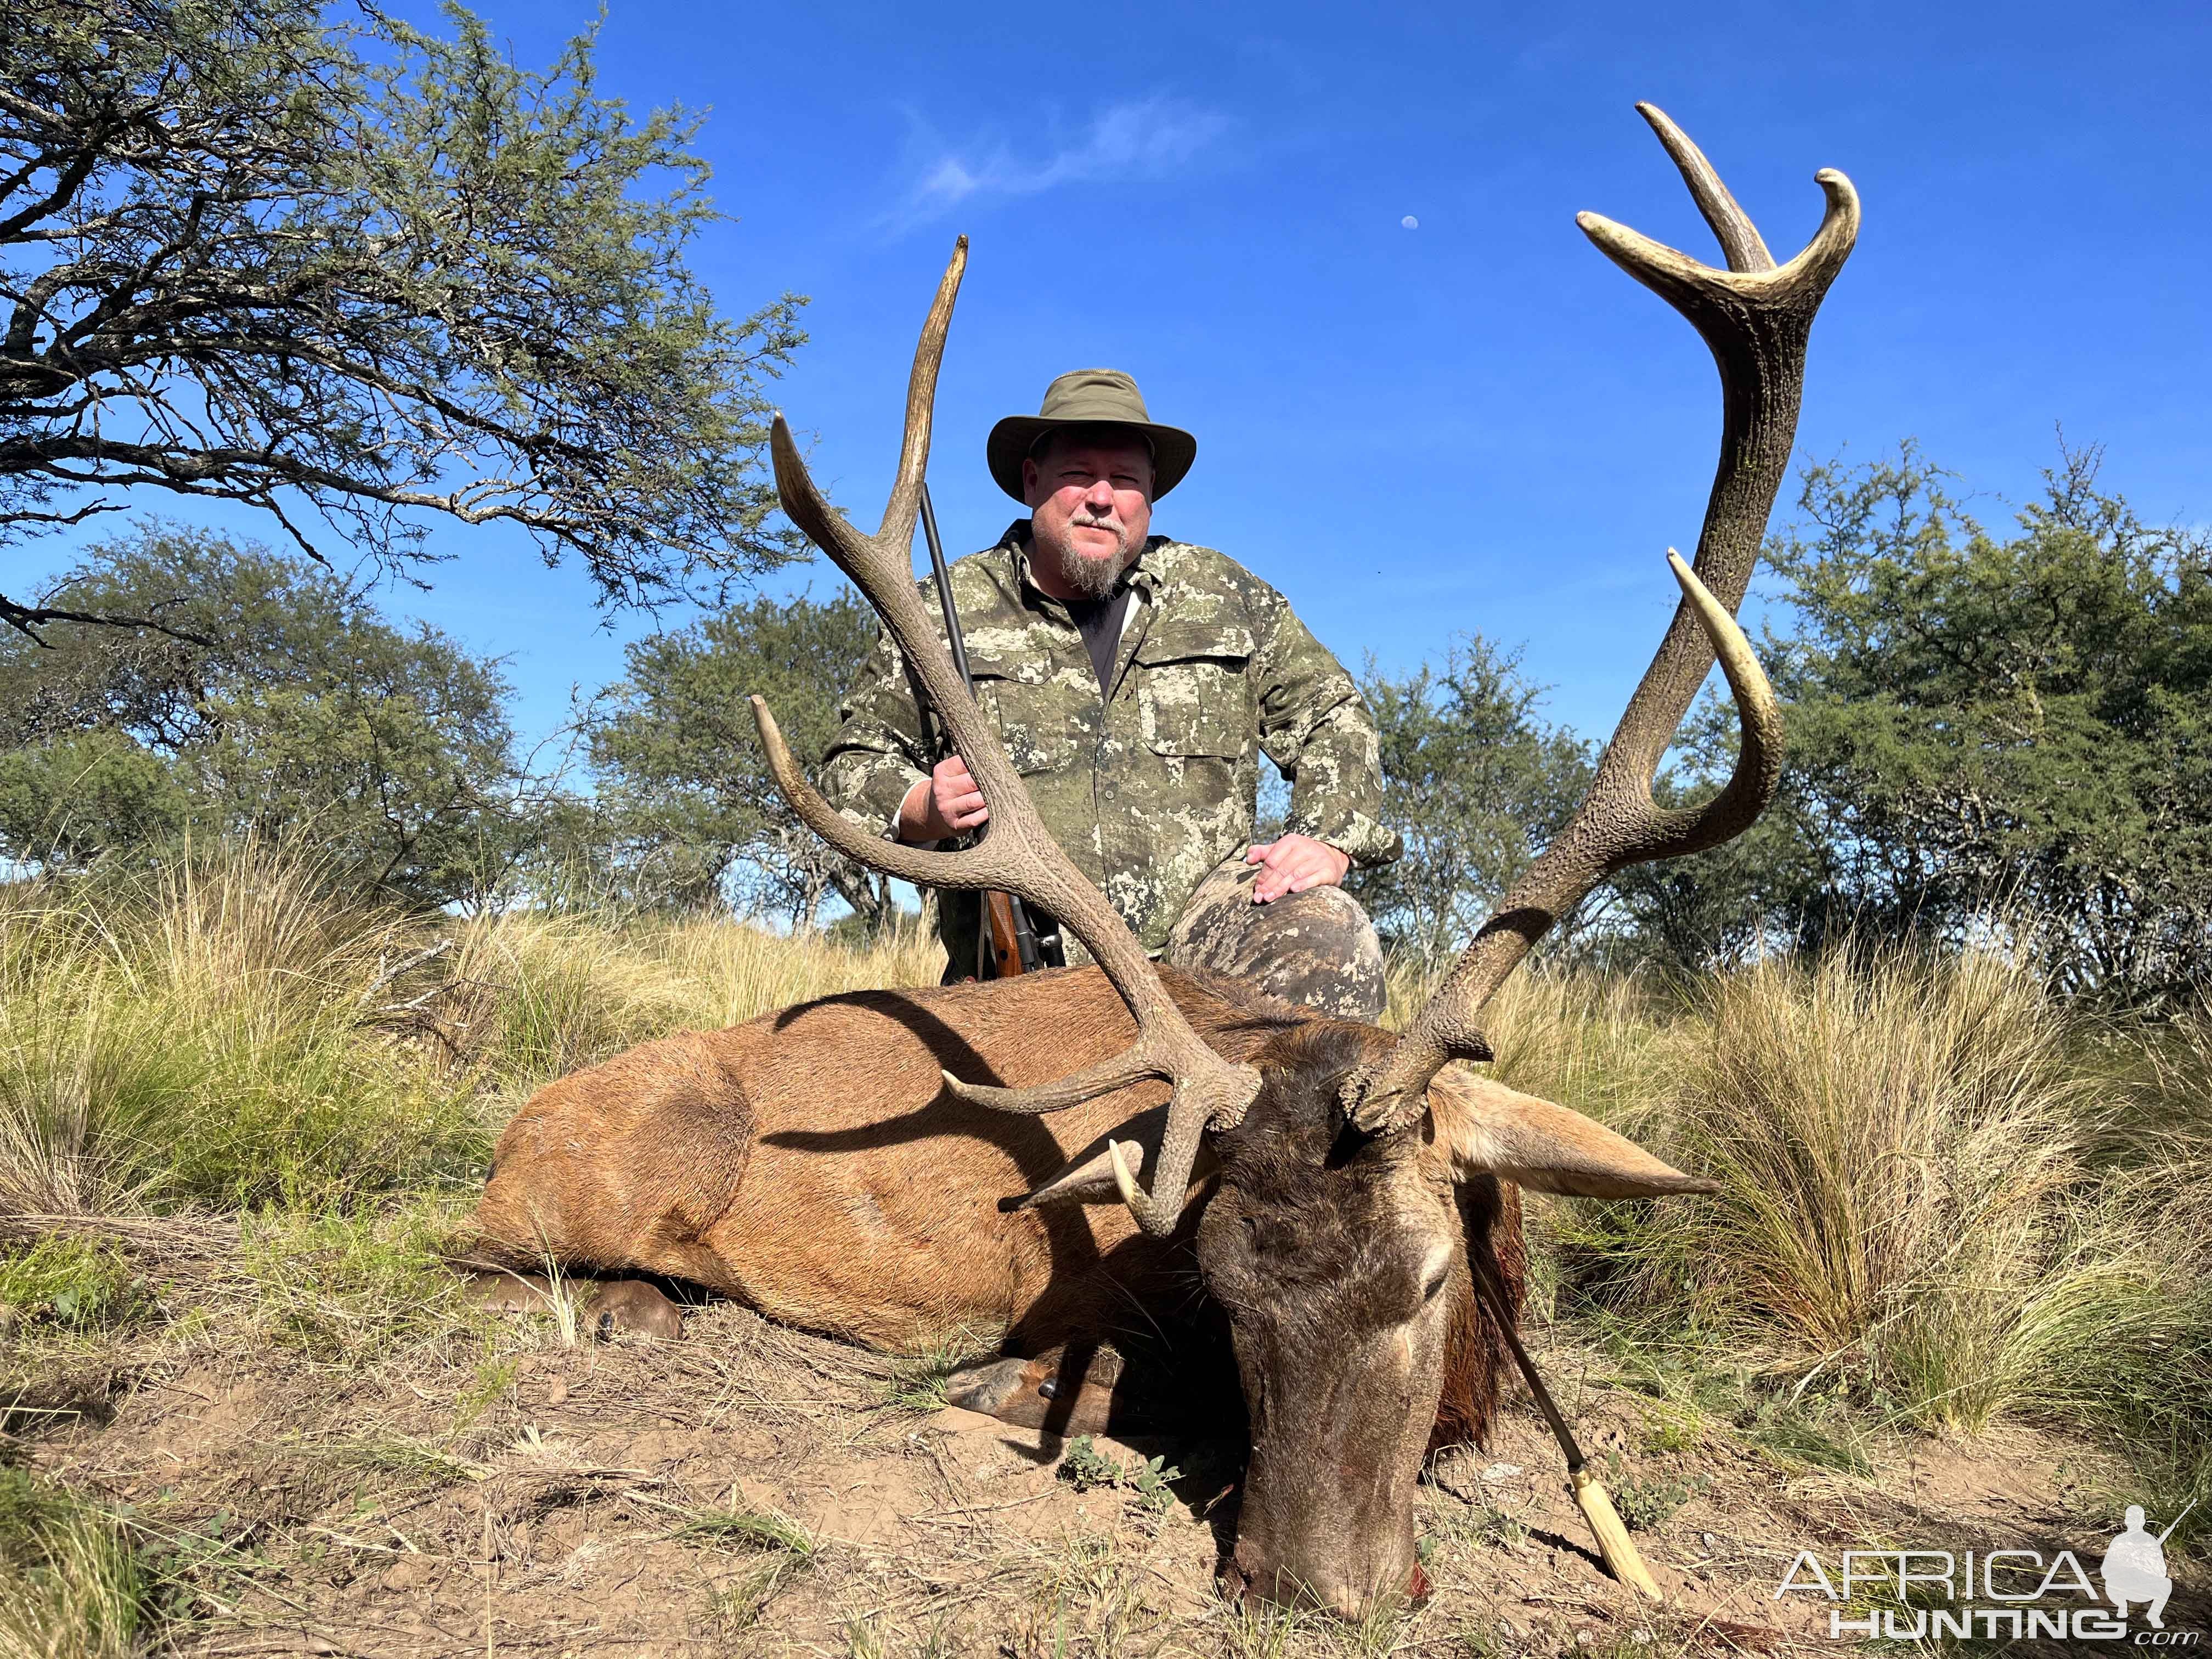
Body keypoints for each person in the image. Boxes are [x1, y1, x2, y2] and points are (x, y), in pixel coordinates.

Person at [820, 368, 1400, 1017]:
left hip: (1201, 955)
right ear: (1032, 481)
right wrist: (921, 805)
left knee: (1328, 933)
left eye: (1124, 479)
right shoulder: (935, 609)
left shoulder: (1227, 595)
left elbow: (1333, 715)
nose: (1102, 498)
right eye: (1078, 474)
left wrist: (1327, 835)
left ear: (1150, 495)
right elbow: (852, 763)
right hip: (1020, 983)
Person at [2101, 1506, 2174, 1628]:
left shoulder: (2150, 1541)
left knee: (2166, 1583)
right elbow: (2106, 1571)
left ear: (2143, 1522)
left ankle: (2154, 1615)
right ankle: (2122, 1607)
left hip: (2144, 1589)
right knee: (2110, 1582)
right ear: (2126, 1522)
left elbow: (2161, 1572)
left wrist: (2145, 1563)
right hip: (2121, 1588)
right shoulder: (2118, 1541)